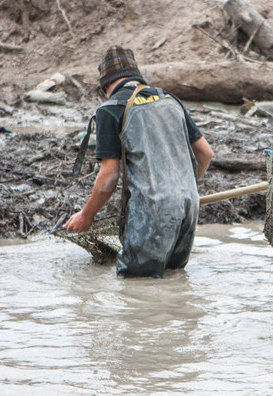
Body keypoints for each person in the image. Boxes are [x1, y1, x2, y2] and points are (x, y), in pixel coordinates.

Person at [64, 45, 213, 278]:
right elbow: (205, 154)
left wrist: (86, 216)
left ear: (105, 85)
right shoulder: (169, 99)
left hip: (152, 213)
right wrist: (181, 191)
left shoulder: (110, 109)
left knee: (138, 286)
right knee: (173, 278)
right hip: (188, 207)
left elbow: (108, 177)